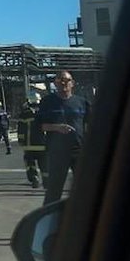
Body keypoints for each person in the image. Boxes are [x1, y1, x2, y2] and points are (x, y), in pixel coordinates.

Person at [36, 71, 89, 205]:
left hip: (79, 150)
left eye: (67, 80)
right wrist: (57, 127)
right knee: (54, 190)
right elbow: (40, 126)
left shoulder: (81, 103)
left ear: (73, 83)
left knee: (84, 189)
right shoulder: (47, 102)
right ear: (55, 83)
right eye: (60, 80)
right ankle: (49, 219)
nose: (64, 83)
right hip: (57, 152)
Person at [17, 97, 47, 189]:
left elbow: (21, 129)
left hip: (28, 145)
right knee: (44, 164)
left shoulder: (24, 114)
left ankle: (34, 178)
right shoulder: (43, 113)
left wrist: (21, 140)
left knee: (30, 164)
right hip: (42, 145)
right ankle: (46, 181)